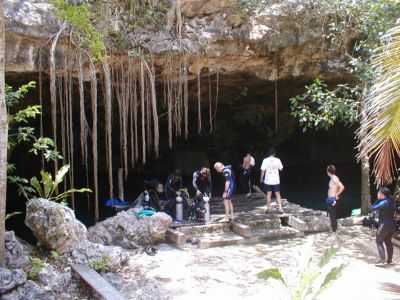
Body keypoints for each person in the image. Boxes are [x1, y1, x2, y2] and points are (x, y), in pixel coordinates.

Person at [372, 187, 396, 266]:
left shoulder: (384, 202)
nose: (378, 194)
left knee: (379, 242)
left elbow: (373, 208)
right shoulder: (391, 201)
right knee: (388, 242)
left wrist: (377, 199)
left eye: (379, 193)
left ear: (382, 194)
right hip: (392, 224)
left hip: (384, 225)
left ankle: (382, 260)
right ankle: (389, 260)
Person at [260, 148, 284, 213]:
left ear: (268, 153)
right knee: (277, 194)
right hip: (276, 180)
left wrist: (261, 178)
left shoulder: (265, 160)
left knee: (268, 194)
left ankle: (268, 208)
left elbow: (263, 170)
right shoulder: (278, 160)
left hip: (268, 180)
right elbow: (281, 169)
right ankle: (280, 208)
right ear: (274, 153)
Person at [325, 165, 345, 233]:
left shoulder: (334, 178)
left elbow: (342, 187)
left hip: (332, 199)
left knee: (332, 215)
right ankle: (334, 229)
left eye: (327, 170)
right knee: (331, 214)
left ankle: (334, 230)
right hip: (331, 199)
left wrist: (336, 194)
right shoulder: (333, 178)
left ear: (328, 171)